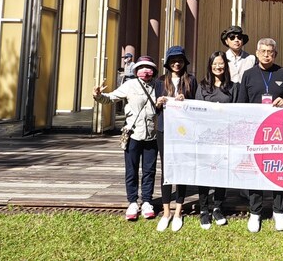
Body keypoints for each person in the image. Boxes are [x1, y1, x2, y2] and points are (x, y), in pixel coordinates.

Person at [93, 55, 162, 221]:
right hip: (133, 134)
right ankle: (132, 201)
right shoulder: (130, 85)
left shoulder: (158, 86)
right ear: (137, 70)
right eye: (142, 67)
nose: (146, 71)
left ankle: (147, 201)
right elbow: (110, 98)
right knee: (131, 169)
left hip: (152, 135)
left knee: (149, 170)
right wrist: (98, 95)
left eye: (149, 67)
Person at [238, 37, 283, 233]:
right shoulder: (248, 75)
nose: (266, 55)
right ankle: (255, 212)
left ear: (275, 54)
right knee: (256, 170)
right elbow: (241, 104)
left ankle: (278, 211)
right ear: (256, 53)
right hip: (255, 132)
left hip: (278, 132)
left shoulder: (282, 72)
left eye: (270, 52)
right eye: (262, 51)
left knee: (277, 169)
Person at [154, 46, 197, 232]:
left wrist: (185, 101)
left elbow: (197, 105)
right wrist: (159, 102)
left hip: (184, 132)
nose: (176, 63)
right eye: (173, 60)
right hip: (164, 129)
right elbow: (154, 107)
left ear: (184, 62)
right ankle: (166, 212)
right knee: (167, 170)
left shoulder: (191, 80)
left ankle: (179, 211)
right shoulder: (161, 81)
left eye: (179, 60)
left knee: (182, 168)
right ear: (167, 63)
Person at [195, 50, 238, 230]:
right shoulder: (203, 86)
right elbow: (197, 109)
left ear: (225, 66)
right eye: (215, 64)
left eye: (221, 64)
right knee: (205, 172)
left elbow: (238, 110)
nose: (218, 67)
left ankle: (217, 207)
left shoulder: (233, 86)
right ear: (210, 66)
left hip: (225, 136)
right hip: (206, 136)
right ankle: (204, 210)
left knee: (221, 172)